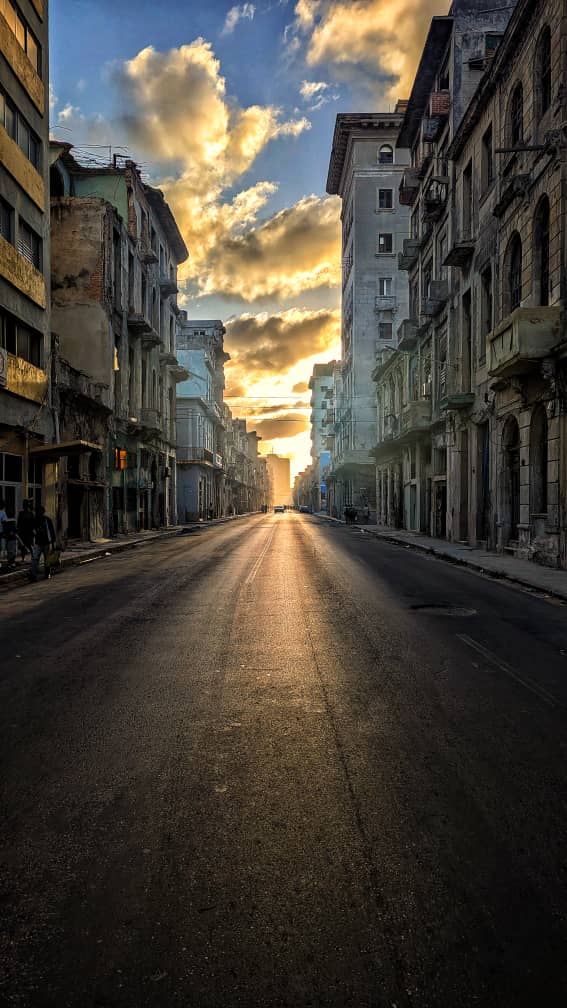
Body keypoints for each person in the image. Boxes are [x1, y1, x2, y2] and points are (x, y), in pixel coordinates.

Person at [30, 505, 56, 582]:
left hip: (46, 542)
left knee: (46, 559)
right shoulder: (34, 520)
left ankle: (47, 573)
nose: (38, 513)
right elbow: (32, 531)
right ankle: (33, 575)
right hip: (38, 542)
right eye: (37, 511)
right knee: (35, 559)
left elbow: (52, 532)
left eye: (40, 511)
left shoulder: (47, 520)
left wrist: (53, 542)